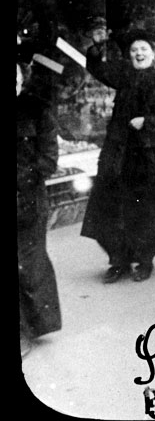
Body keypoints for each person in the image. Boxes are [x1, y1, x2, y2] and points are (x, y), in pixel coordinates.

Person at [80, 29, 155, 283]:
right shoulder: (124, 76)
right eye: (134, 50)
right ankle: (118, 261)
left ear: (154, 54)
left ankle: (144, 262)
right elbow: (99, 69)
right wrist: (95, 48)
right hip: (117, 154)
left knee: (143, 212)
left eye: (143, 49)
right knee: (110, 209)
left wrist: (147, 121)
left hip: (146, 157)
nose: (138, 54)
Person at [17, 60, 62, 358]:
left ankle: (34, 327)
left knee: (30, 266)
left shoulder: (37, 108)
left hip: (29, 200)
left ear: (22, 77)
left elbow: (49, 159)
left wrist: (23, 178)